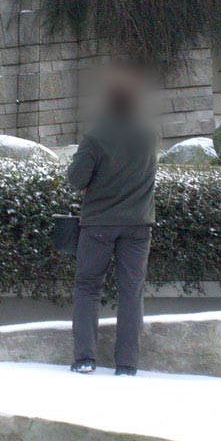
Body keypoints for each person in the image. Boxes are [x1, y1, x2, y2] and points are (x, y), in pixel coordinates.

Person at [67, 68, 157, 376]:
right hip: (139, 226)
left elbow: (76, 179)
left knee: (87, 287)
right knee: (131, 291)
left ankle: (84, 359)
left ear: (108, 102)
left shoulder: (95, 137)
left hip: (98, 225)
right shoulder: (149, 135)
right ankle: (128, 365)